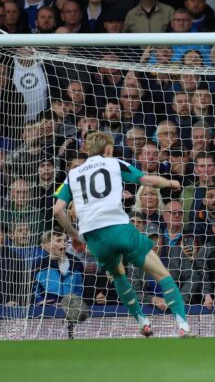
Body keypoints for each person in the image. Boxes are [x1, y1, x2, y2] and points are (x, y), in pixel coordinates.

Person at [52, 131, 193, 338]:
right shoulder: (114, 163)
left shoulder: (72, 175)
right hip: (119, 228)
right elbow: (148, 181)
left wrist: (74, 235)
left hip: (95, 238)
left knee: (118, 275)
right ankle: (183, 325)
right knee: (163, 274)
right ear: (108, 149)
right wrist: (170, 183)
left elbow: (57, 210)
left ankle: (141, 320)